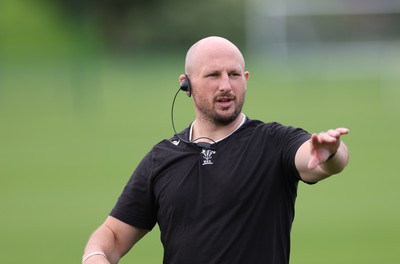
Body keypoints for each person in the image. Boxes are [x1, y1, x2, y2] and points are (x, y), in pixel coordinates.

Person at [82, 36, 350, 264]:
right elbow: (114, 235)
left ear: (245, 79)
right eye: (213, 75)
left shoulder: (274, 141)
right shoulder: (162, 157)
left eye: (234, 74)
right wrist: (94, 256)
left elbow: (317, 160)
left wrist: (330, 154)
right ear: (186, 84)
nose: (226, 86)